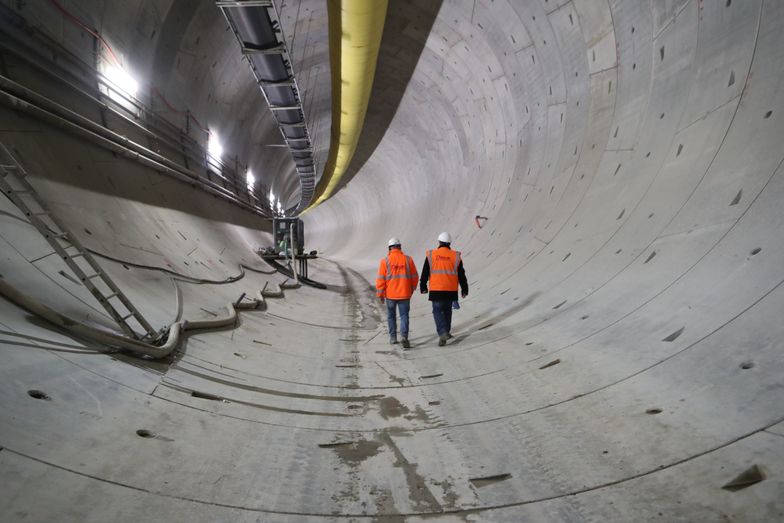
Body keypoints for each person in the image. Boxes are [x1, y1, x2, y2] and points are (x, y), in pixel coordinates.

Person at [420, 232, 468, 346]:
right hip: (451, 290)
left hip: (436, 290)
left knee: (437, 311)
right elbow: (461, 274)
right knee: (447, 311)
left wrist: (423, 286)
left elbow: (425, 272)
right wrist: (464, 289)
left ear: (439, 242)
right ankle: (446, 331)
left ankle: (442, 332)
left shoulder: (431, 255)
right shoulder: (455, 256)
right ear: (449, 243)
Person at [376, 237, 418, 349]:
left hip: (390, 295)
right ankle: (404, 337)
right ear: (400, 247)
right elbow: (415, 277)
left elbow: (381, 279)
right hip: (405, 294)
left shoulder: (384, 261)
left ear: (389, 248)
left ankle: (393, 338)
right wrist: (412, 289)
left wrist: (380, 294)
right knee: (404, 316)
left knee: (391, 316)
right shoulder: (408, 260)